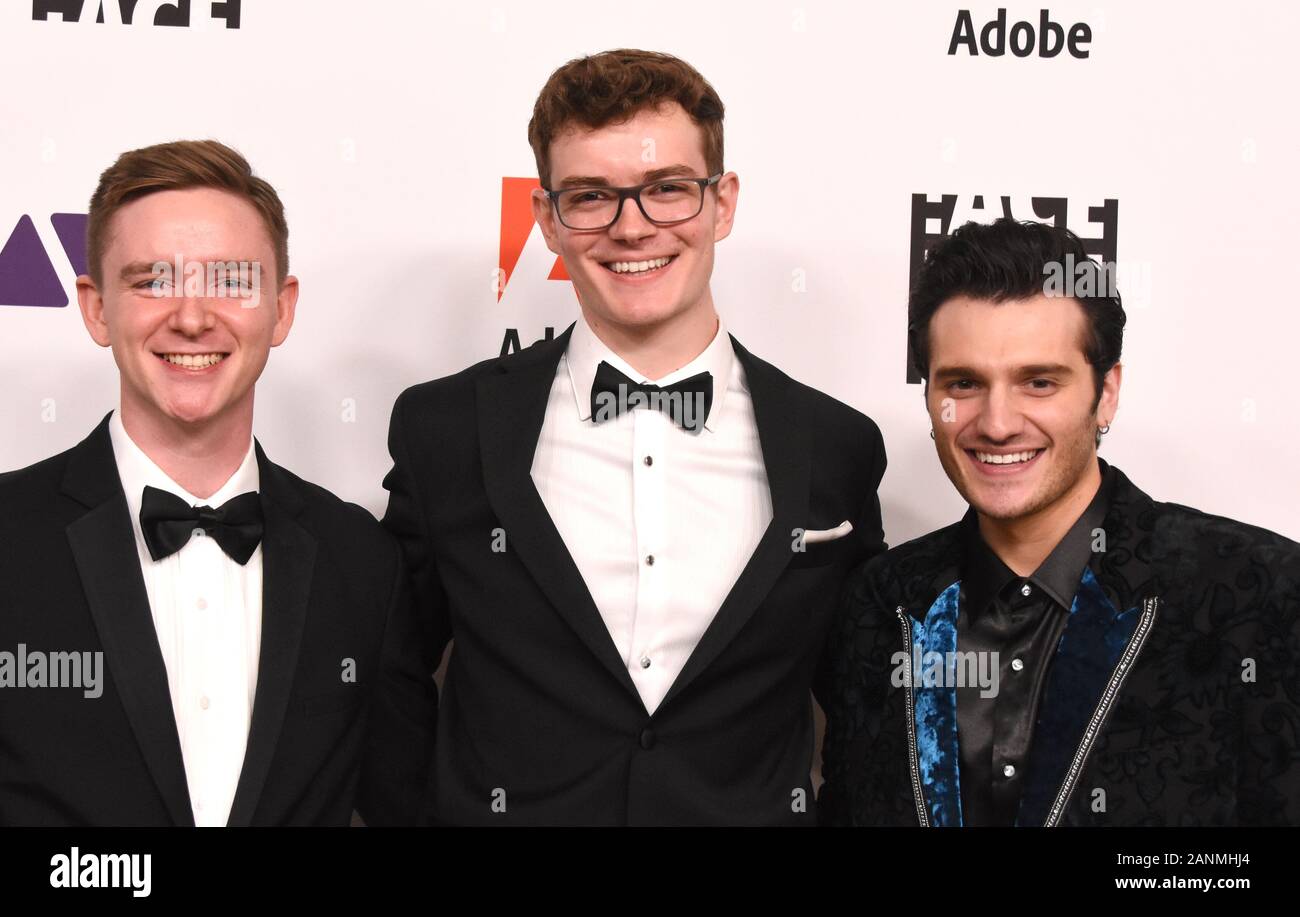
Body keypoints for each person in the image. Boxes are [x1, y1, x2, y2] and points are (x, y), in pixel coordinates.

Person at [378, 49, 887, 824]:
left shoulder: (835, 447)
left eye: (668, 191)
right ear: (547, 220)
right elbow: (385, 678)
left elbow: (867, 706)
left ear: (723, 203)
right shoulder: (443, 431)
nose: (631, 227)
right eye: (590, 197)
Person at [0, 140, 431, 826]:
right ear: (97, 308)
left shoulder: (360, 560)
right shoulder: (9, 537)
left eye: (231, 280)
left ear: (281, 308)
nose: (194, 317)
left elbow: (408, 807)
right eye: (152, 280)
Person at [820, 218, 1300, 826]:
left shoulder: (1257, 596)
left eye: (1039, 382)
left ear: (1106, 394)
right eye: (964, 383)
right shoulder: (878, 606)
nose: (997, 423)